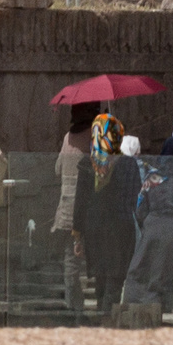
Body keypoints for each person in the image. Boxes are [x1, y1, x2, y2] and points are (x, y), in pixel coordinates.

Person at [122, 136, 173, 325]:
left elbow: (140, 208)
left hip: (152, 235)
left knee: (149, 279)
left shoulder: (152, 178)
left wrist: (149, 226)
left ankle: (149, 323)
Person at [73, 112, 140, 311]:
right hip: (120, 227)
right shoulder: (127, 163)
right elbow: (134, 196)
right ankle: (108, 316)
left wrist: (77, 237)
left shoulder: (87, 164)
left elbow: (80, 202)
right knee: (116, 276)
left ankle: (101, 313)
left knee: (100, 276)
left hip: (93, 229)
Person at [51, 102, 100, 311]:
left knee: (71, 266)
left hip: (66, 210)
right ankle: (99, 310)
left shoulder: (67, 137)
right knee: (98, 262)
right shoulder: (95, 135)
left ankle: (74, 310)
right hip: (90, 211)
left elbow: (57, 169)